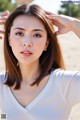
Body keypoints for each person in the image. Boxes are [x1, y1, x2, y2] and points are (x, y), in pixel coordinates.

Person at [0, 3, 80, 120]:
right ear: (9, 39)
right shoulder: (2, 84)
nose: (27, 42)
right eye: (19, 33)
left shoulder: (65, 84)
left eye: (37, 35)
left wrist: (74, 25)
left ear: (46, 43)